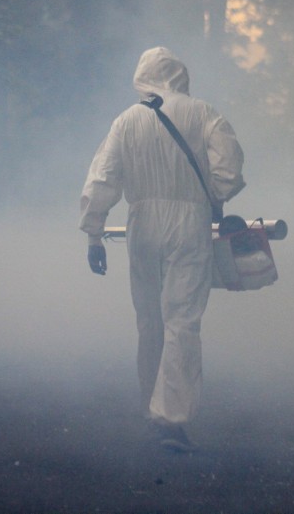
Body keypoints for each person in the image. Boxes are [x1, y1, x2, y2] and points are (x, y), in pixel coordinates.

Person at [79, 47, 245, 452]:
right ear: (180, 77)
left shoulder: (127, 120)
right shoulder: (205, 113)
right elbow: (230, 170)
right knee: (182, 319)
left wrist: (94, 234)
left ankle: (150, 408)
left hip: (141, 224)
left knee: (149, 318)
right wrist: (214, 195)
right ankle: (170, 418)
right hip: (190, 224)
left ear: (143, 77)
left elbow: (103, 178)